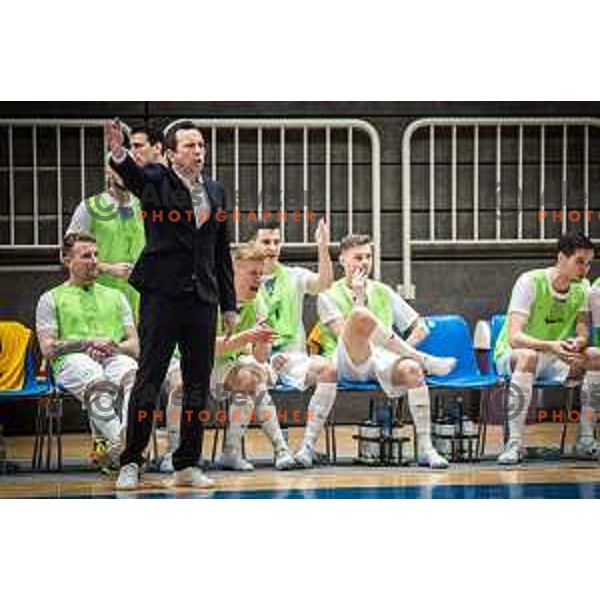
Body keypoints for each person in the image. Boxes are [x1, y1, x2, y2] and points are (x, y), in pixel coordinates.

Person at [106, 119, 236, 490]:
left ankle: (186, 464)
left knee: (197, 383)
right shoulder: (156, 181)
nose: (198, 152)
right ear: (169, 153)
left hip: (202, 300)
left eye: (201, 145)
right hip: (161, 296)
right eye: (190, 146)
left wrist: (228, 304)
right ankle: (131, 460)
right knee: (148, 379)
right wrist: (119, 152)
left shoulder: (216, 190)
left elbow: (220, 251)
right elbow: (133, 175)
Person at [316, 234, 457, 469]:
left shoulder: (383, 290)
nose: (364, 262)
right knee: (360, 317)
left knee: (412, 370)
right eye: (358, 257)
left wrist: (401, 351)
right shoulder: (327, 295)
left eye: (368, 257)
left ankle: (426, 449)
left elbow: (420, 327)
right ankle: (423, 359)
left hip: (380, 360)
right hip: (347, 362)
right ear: (342, 260)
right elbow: (349, 335)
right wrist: (359, 298)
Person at [163, 244, 295, 473]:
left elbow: (259, 357)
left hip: (226, 361)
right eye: (253, 273)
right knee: (180, 384)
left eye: (261, 273)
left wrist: (264, 341)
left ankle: (238, 452)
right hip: (186, 357)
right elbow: (201, 346)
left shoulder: (257, 303)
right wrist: (247, 336)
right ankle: (174, 452)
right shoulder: (207, 295)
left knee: (251, 378)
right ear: (233, 273)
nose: (258, 279)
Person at [494, 232, 600, 465]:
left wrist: (579, 342)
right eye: (580, 262)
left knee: (595, 356)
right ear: (562, 258)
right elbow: (514, 337)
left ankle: (585, 439)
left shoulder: (582, 287)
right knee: (528, 357)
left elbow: (583, 330)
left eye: (589, 263)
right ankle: (515, 443)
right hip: (514, 355)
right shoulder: (530, 281)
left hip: (555, 357)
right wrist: (550, 345)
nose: (585, 270)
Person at [36, 233, 139, 469]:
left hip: (113, 356)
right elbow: (49, 349)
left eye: (96, 255)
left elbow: (134, 346)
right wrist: (87, 343)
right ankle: (124, 445)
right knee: (98, 382)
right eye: (85, 256)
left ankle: (121, 441)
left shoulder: (117, 296)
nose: (94, 261)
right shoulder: (50, 299)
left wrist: (115, 347)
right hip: (70, 361)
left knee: (135, 375)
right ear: (66, 260)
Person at [249, 219, 338, 469]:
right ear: (253, 244)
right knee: (252, 376)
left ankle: (307, 447)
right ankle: (281, 450)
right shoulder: (243, 279)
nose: (272, 247)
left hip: (292, 358)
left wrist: (322, 247)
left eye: (276, 241)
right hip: (256, 358)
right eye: (266, 241)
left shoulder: (294, 276)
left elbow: (325, 283)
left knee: (329, 370)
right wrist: (262, 357)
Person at [67, 164, 145, 319]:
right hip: (101, 296)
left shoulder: (145, 205)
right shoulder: (89, 207)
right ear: (108, 173)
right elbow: (67, 252)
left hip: (142, 298)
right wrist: (107, 268)